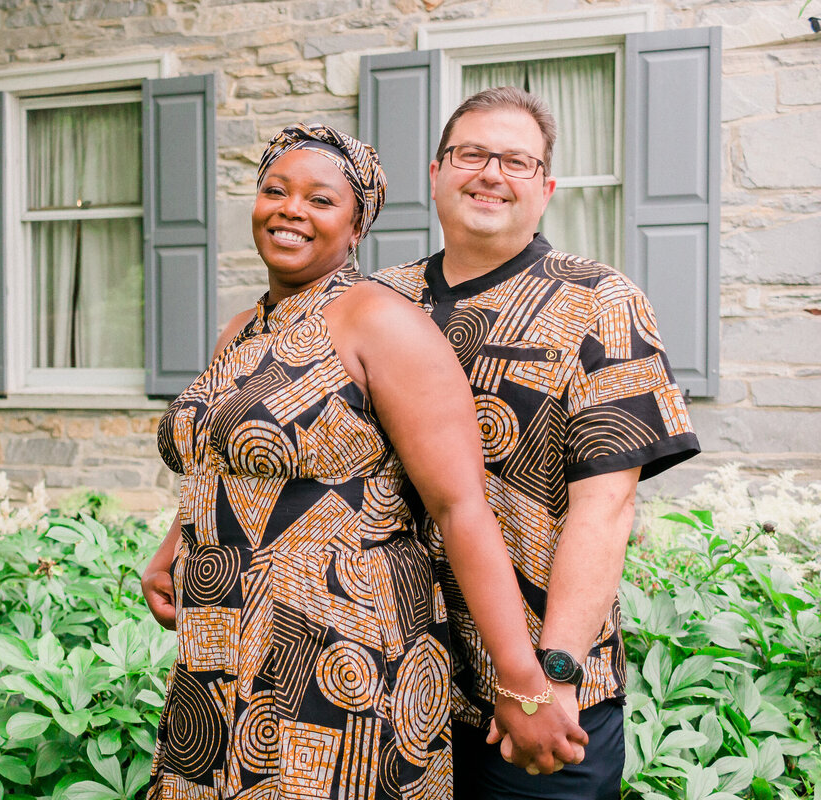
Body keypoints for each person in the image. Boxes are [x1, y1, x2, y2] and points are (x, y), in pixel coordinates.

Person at [142, 123, 586, 800]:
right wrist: (174, 544)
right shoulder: (243, 328)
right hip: (221, 641)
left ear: (356, 228)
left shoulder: (379, 320)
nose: (291, 208)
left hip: (337, 650)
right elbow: (222, 460)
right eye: (274, 191)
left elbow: (459, 505)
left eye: (320, 200)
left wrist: (522, 681)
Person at [371, 87, 701, 800]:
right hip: (390, 683)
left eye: (516, 161)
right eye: (472, 154)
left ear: (545, 189)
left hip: (535, 701)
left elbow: (605, 509)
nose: (491, 173)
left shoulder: (600, 301)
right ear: (435, 173)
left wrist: (551, 676)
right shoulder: (377, 302)